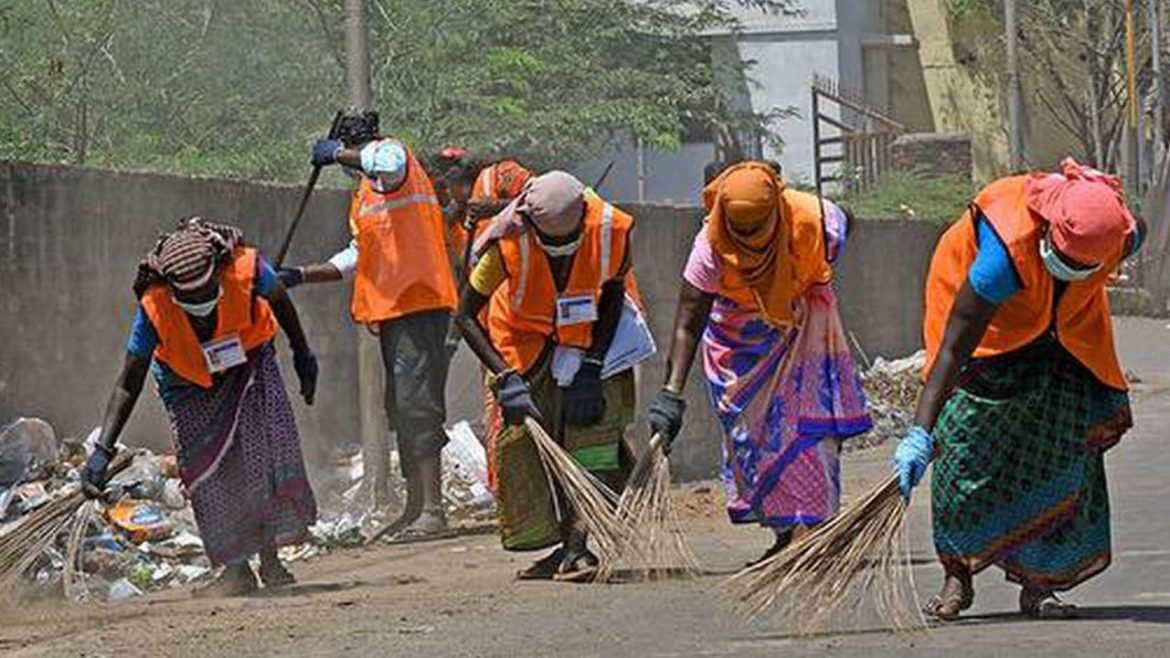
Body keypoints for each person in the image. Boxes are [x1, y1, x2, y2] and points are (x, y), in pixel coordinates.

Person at [893, 158, 1145, 621]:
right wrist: (920, 432)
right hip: (987, 340)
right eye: (1065, 260)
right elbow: (953, 348)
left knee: (1058, 455)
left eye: (1083, 267)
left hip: (1061, 338)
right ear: (1049, 232)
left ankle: (1040, 585)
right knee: (963, 456)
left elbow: (1135, 230)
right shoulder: (1001, 256)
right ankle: (958, 574)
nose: (1071, 269)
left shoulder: (1118, 234)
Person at [81, 218, 319, 597]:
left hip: (248, 364)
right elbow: (129, 381)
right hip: (187, 382)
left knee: (259, 457)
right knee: (206, 474)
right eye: (188, 301)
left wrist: (303, 354)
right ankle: (236, 569)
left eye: (206, 295)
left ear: (218, 275)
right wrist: (102, 452)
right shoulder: (154, 304)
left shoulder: (247, 269)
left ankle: (270, 558)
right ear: (173, 291)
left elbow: (281, 301)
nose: (200, 306)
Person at [647, 162, 871, 563]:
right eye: (739, 229)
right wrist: (670, 393)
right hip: (739, 355)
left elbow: (843, 222)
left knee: (807, 432)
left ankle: (812, 530)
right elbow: (687, 322)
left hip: (803, 339)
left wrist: (807, 281)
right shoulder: (710, 245)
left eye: (756, 228)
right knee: (753, 442)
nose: (748, 238)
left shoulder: (810, 217)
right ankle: (786, 534)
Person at [279, 109, 458, 540]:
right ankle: (415, 508)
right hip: (394, 311)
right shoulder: (368, 195)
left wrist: (337, 152)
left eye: (348, 155)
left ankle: (433, 511)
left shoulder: (394, 158)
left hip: (420, 305)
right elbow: (356, 256)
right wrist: (300, 275)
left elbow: (387, 161)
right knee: (400, 408)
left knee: (417, 406)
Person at [455, 171, 641, 582]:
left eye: (567, 243)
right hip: (524, 347)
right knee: (535, 449)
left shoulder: (611, 231)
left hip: (588, 341)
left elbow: (612, 295)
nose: (560, 252)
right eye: (550, 244)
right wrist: (505, 377)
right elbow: (465, 315)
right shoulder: (506, 244)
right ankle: (561, 546)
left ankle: (579, 545)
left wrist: (592, 366)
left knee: (589, 441)